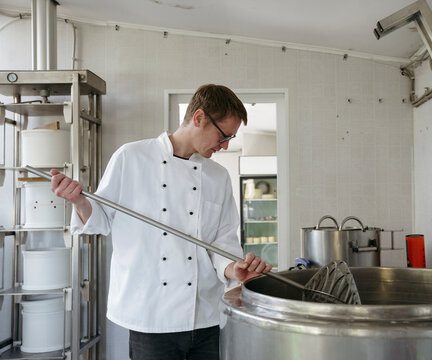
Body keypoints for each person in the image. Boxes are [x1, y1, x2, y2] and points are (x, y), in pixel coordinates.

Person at [50, 84, 272, 360]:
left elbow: (221, 242)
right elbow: (101, 219)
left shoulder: (218, 176)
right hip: (151, 316)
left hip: (206, 316)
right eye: (223, 135)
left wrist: (233, 269)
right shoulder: (131, 157)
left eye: (230, 138)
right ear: (199, 118)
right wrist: (79, 200)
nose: (225, 144)